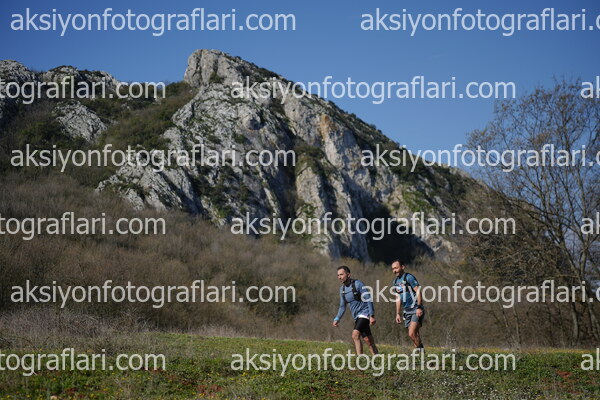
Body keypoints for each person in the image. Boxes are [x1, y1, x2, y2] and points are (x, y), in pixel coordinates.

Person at [332, 265, 378, 355]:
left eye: (341, 274)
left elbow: (368, 298)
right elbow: (342, 306)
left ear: (348, 274)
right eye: (338, 275)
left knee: (355, 335)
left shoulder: (358, 284)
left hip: (365, 313)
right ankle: (378, 358)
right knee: (368, 340)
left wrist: (372, 315)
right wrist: (337, 318)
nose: (339, 277)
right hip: (357, 316)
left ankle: (360, 360)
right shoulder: (342, 290)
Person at [392, 259, 425, 351]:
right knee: (415, 334)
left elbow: (418, 291)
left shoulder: (409, 277)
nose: (394, 270)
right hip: (407, 311)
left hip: (415, 309)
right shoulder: (395, 282)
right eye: (393, 269)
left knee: (411, 333)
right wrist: (397, 313)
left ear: (402, 267)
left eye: (396, 268)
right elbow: (398, 298)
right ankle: (419, 355)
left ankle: (422, 353)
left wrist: (419, 307)